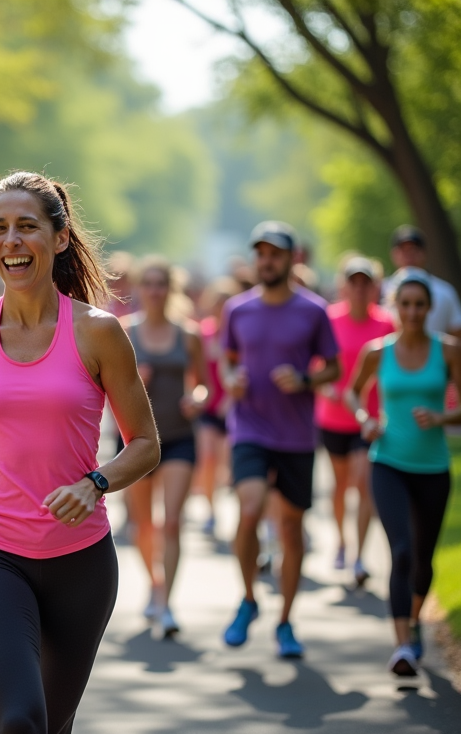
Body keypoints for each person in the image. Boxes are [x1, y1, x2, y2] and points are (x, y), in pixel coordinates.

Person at [0, 171, 159, 734]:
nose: (11, 240)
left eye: (27, 226)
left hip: (80, 561)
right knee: (21, 722)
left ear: (58, 239)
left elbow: (145, 443)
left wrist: (95, 483)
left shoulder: (99, 333)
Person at [220, 221, 340, 658]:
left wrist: (306, 378)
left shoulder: (313, 310)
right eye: (261, 253)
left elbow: (333, 367)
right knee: (250, 508)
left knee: (291, 529)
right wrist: (232, 378)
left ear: (291, 259)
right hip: (250, 427)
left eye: (275, 254)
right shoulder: (237, 309)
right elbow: (228, 357)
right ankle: (249, 599)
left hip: (295, 435)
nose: (266, 261)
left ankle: (286, 621)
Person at [346, 269, 461, 677]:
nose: (412, 312)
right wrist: (365, 418)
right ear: (395, 307)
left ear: (429, 309)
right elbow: (352, 390)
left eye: (419, 305)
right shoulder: (378, 352)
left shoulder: (447, 351)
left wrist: (443, 415)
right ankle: (402, 648)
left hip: (432, 467)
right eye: (405, 304)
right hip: (388, 461)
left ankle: (414, 623)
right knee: (402, 551)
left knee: (424, 560)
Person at [122, 256, 208, 637]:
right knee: (143, 525)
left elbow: (204, 383)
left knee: (172, 522)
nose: (155, 290)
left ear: (170, 290)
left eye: (162, 284)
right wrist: (131, 380)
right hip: (135, 441)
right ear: (140, 289)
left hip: (177, 438)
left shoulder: (189, 334)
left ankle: (167, 603)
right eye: (149, 283)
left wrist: (198, 399)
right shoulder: (123, 333)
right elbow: (100, 387)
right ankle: (154, 584)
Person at [315, 255, 394, 587]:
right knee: (340, 485)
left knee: (363, 484)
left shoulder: (387, 323)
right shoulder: (329, 319)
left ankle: (360, 556)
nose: (360, 289)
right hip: (333, 416)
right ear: (344, 286)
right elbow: (316, 364)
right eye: (354, 282)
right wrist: (328, 386)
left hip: (369, 419)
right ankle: (342, 542)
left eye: (366, 283)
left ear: (375, 286)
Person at [195, 276, 239, 536]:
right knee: (208, 457)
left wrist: (230, 400)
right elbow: (196, 371)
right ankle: (210, 510)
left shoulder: (238, 334)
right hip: (208, 409)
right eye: (218, 302)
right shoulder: (204, 332)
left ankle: (221, 501)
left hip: (230, 408)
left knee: (225, 462)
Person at [382, 225, 461, 337]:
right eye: (403, 249)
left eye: (414, 249)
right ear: (393, 254)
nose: (409, 254)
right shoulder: (381, 290)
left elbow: (457, 334)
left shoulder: (445, 291)